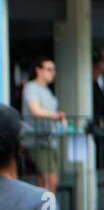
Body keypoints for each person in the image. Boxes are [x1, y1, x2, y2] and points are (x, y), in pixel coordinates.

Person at [21, 58, 64, 195]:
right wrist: (55, 116)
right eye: (49, 69)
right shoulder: (31, 87)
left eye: (53, 70)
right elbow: (35, 110)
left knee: (51, 181)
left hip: (50, 141)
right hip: (38, 140)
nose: (52, 73)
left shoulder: (49, 92)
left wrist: (60, 120)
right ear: (38, 70)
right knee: (47, 181)